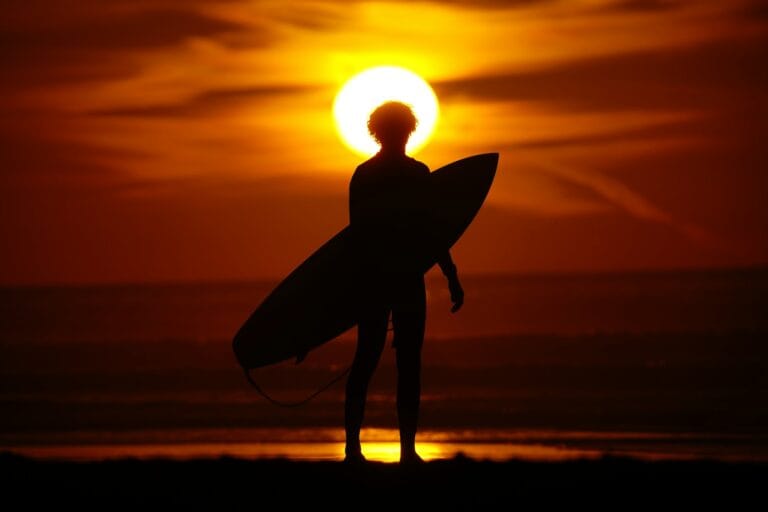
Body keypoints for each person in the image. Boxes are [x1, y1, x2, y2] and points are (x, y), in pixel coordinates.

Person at [345, 101, 464, 464]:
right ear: (407, 129)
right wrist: (451, 274)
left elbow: (356, 241)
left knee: (369, 362)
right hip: (402, 280)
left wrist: (450, 274)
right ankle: (401, 451)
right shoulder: (415, 175)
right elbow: (431, 232)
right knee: (400, 365)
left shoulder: (364, 175)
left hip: (377, 280)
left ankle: (359, 450)